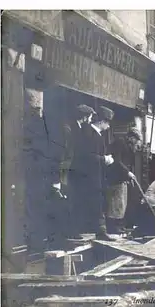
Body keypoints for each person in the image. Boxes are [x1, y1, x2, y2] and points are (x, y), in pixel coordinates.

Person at [48, 104, 96, 248]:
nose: (91, 119)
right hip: (64, 172)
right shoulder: (68, 129)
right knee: (64, 202)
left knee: (71, 201)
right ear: (85, 116)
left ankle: (71, 232)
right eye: (90, 116)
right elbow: (62, 155)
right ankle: (65, 235)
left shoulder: (77, 128)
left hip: (71, 172)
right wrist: (57, 178)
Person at [69, 106, 115, 241]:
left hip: (93, 176)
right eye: (108, 122)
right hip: (85, 176)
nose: (108, 126)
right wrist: (104, 159)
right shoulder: (87, 133)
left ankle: (99, 231)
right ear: (101, 122)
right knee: (82, 202)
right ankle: (77, 231)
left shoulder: (95, 134)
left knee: (96, 202)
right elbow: (85, 156)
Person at [105, 127, 142, 234]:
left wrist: (127, 176)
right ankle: (112, 227)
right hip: (114, 178)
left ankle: (119, 226)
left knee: (121, 203)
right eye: (136, 139)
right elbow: (116, 161)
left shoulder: (129, 146)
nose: (137, 142)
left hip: (122, 178)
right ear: (130, 137)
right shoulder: (120, 143)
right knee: (115, 203)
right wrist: (127, 173)